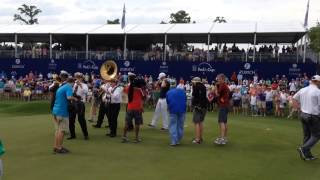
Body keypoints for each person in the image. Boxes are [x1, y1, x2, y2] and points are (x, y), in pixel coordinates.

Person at [294, 75, 320, 161]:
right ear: (317, 82)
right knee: (316, 135)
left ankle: (307, 155)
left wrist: (298, 108)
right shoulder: (317, 91)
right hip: (313, 116)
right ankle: (304, 148)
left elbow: (294, 99)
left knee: (307, 135)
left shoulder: (303, 89)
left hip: (303, 114)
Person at [52, 71, 78, 154]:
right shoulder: (68, 87)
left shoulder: (61, 87)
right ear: (71, 82)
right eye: (73, 83)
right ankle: (59, 148)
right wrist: (75, 99)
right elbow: (69, 97)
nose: (74, 85)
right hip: (62, 112)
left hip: (55, 111)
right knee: (62, 131)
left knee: (58, 130)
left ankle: (56, 146)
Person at [122, 73, 145, 143]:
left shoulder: (129, 87)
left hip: (129, 107)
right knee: (137, 123)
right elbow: (143, 98)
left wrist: (126, 85)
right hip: (138, 108)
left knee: (127, 123)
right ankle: (136, 138)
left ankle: (124, 137)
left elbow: (124, 91)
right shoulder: (140, 89)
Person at [68, 73, 89, 140]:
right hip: (73, 103)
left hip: (80, 104)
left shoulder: (85, 85)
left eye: (79, 77)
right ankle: (72, 135)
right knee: (71, 119)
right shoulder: (74, 84)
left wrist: (80, 85)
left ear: (82, 78)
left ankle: (85, 134)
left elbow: (86, 92)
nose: (78, 79)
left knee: (81, 119)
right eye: (77, 77)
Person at [214, 74, 230, 145]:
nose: (217, 80)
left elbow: (217, 94)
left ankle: (222, 139)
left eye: (218, 79)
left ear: (222, 79)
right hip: (225, 105)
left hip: (223, 105)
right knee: (224, 122)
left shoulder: (222, 85)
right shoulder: (225, 85)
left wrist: (215, 89)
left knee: (221, 122)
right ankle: (224, 138)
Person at [191, 77, 207, 144]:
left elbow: (194, 95)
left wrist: (197, 105)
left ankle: (197, 139)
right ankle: (200, 137)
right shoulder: (203, 86)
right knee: (200, 122)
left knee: (196, 122)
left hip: (198, 106)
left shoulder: (196, 86)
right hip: (204, 107)